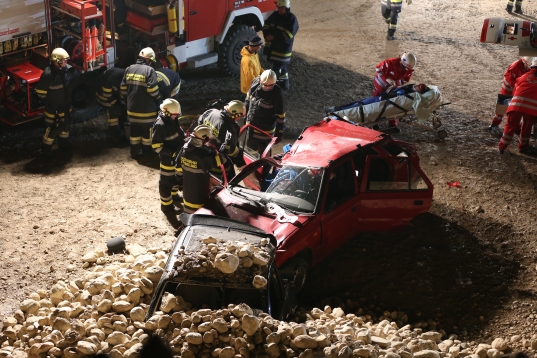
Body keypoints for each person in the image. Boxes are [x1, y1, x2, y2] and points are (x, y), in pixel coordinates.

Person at [120, 47, 162, 158]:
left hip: (131, 111)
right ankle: (147, 154)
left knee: (134, 133)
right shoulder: (149, 71)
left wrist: (128, 101)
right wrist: (159, 102)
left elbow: (123, 89)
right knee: (147, 135)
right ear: (148, 60)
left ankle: (134, 153)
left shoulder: (129, 69)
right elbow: (153, 90)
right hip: (147, 112)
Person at [175, 125, 222, 213]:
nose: (208, 143)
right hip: (199, 195)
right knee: (199, 217)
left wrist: (180, 181)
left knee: (188, 215)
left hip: (187, 192)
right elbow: (219, 161)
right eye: (207, 140)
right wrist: (226, 148)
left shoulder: (185, 149)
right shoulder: (201, 155)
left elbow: (178, 167)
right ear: (203, 139)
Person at [35, 47, 73, 155]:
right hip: (53, 109)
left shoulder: (64, 70)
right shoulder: (48, 74)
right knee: (51, 129)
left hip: (65, 107)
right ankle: (46, 150)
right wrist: (51, 102)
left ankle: (64, 146)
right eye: (64, 60)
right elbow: (40, 93)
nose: (66, 61)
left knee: (65, 127)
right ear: (57, 60)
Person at [197, 100, 247, 180]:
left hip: (204, 156)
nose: (239, 119)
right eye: (239, 116)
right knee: (228, 181)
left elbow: (200, 122)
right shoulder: (229, 129)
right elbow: (232, 151)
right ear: (235, 115)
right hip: (219, 164)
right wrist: (241, 164)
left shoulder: (212, 112)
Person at [151, 98, 185, 213]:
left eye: (177, 114)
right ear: (166, 112)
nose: (176, 116)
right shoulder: (160, 125)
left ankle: (174, 195)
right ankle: (166, 206)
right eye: (174, 115)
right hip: (168, 160)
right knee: (166, 183)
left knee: (175, 178)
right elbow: (156, 146)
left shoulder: (171, 118)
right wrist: (171, 153)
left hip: (176, 158)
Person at [498, 57, 537, 155]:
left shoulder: (522, 75)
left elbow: (514, 91)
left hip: (515, 105)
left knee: (510, 126)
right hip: (531, 109)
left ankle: (502, 147)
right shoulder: (519, 70)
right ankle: (522, 147)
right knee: (526, 128)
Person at [245, 69, 286, 155]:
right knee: (250, 153)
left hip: (265, 132)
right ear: (260, 81)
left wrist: (280, 131)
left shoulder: (277, 93)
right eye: (264, 85)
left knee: (264, 156)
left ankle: (265, 168)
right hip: (251, 128)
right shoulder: (255, 83)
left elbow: (280, 115)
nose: (267, 87)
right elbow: (248, 101)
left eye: (270, 86)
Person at [372, 53, 416, 131]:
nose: (405, 69)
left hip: (393, 85)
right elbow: (378, 69)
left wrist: (398, 84)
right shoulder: (390, 62)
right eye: (404, 67)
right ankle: (374, 122)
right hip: (381, 82)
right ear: (402, 62)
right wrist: (386, 78)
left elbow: (405, 79)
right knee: (378, 101)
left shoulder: (408, 69)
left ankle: (392, 124)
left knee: (393, 102)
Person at [489, 56, 532, 135]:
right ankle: (495, 124)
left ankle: (517, 127)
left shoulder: (527, 67)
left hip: (517, 87)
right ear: (524, 62)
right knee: (502, 106)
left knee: (516, 109)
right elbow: (512, 81)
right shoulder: (515, 66)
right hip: (509, 87)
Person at [262, 0, 299, 90]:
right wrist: (266, 35)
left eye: (281, 7)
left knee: (276, 68)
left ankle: (270, 85)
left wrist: (274, 37)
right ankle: (285, 83)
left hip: (283, 50)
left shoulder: (291, 19)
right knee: (281, 67)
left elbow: (288, 35)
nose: (279, 9)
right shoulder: (274, 16)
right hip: (274, 48)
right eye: (278, 7)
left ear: (286, 8)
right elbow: (266, 26)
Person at [324, 83, 429, 113]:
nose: (419, 86)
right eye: (420, 84)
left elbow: (398, 98)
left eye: (421, 88)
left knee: (359, 106)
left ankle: (336, 111)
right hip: (382, 99)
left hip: (382, 102)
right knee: (359, 103)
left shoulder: (410, 94)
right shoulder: (410, 88)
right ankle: (336, 109)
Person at [96, 67, 127, 145]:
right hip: (103, 95)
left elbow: (123, 93)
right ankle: (115, 136)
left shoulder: (124, 76)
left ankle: (121, 128)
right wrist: (114, 102)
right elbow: (106, 92)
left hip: (112, 93)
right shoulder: (114, 75)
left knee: (121, 109)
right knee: (112, 113)